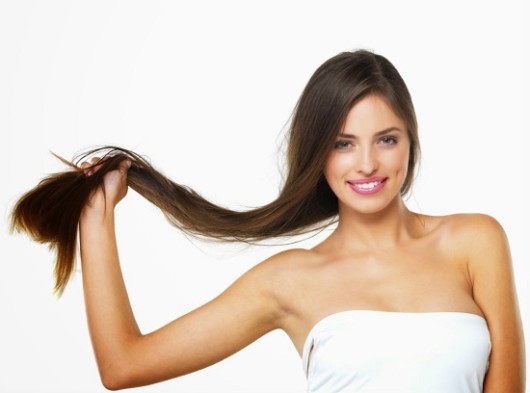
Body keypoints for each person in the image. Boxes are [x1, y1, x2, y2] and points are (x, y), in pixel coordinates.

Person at [12, 50, 525, 392]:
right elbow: (123, 365)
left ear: (410, 143)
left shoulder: (475, 241)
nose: (367, 163)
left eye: (386, 139)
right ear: (317, 155)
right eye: (343, 144)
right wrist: (96, 217)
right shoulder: (289, 280)